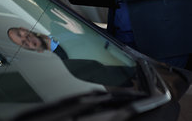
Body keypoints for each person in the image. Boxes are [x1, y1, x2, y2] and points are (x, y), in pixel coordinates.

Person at [7, 27, 135, 86]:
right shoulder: (66, 65)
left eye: (20, 33)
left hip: (125, 37)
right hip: (133, 67)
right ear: (27, 49)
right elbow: (114, 77)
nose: (26, 38)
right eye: (23, 43)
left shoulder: (57, 25)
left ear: (23, 28)